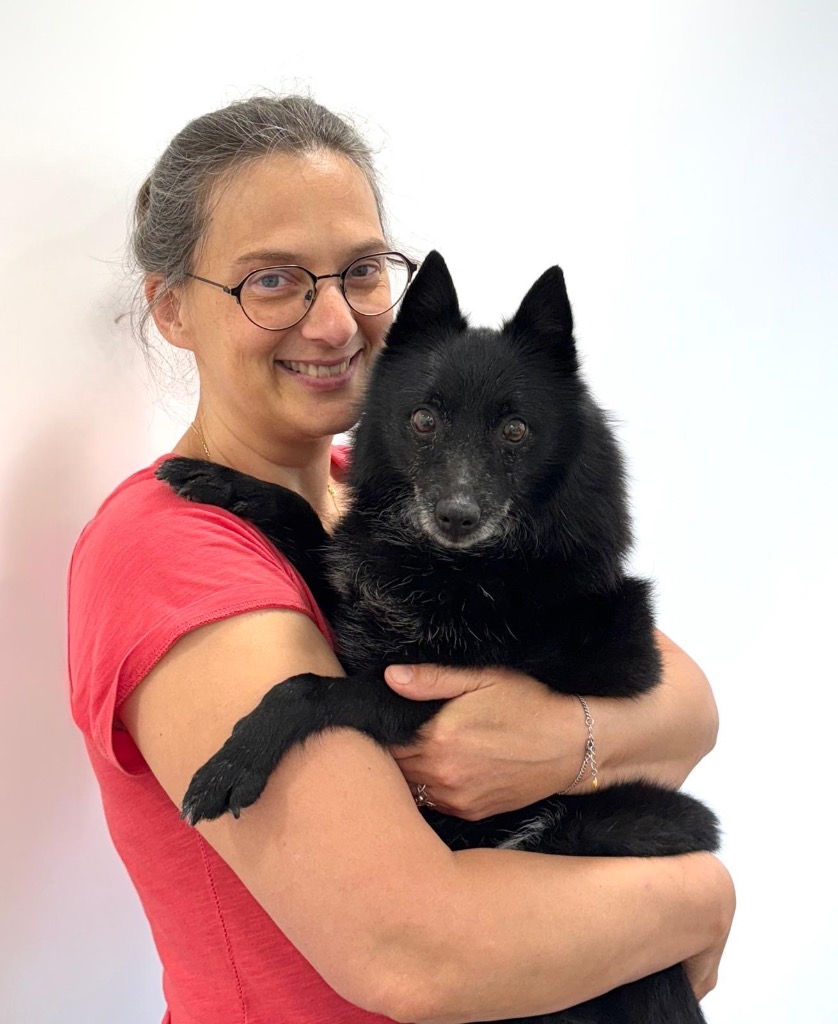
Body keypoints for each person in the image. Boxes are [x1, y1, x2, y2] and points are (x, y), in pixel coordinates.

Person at [67, 94, 734, 1024]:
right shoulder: (173, 551)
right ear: (173, 309)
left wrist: (560, 739)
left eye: (361, 272)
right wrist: (701, 899)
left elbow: (692, 708)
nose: (335, 323)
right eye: (273, 280)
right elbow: (413, 954)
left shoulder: (397, 499)